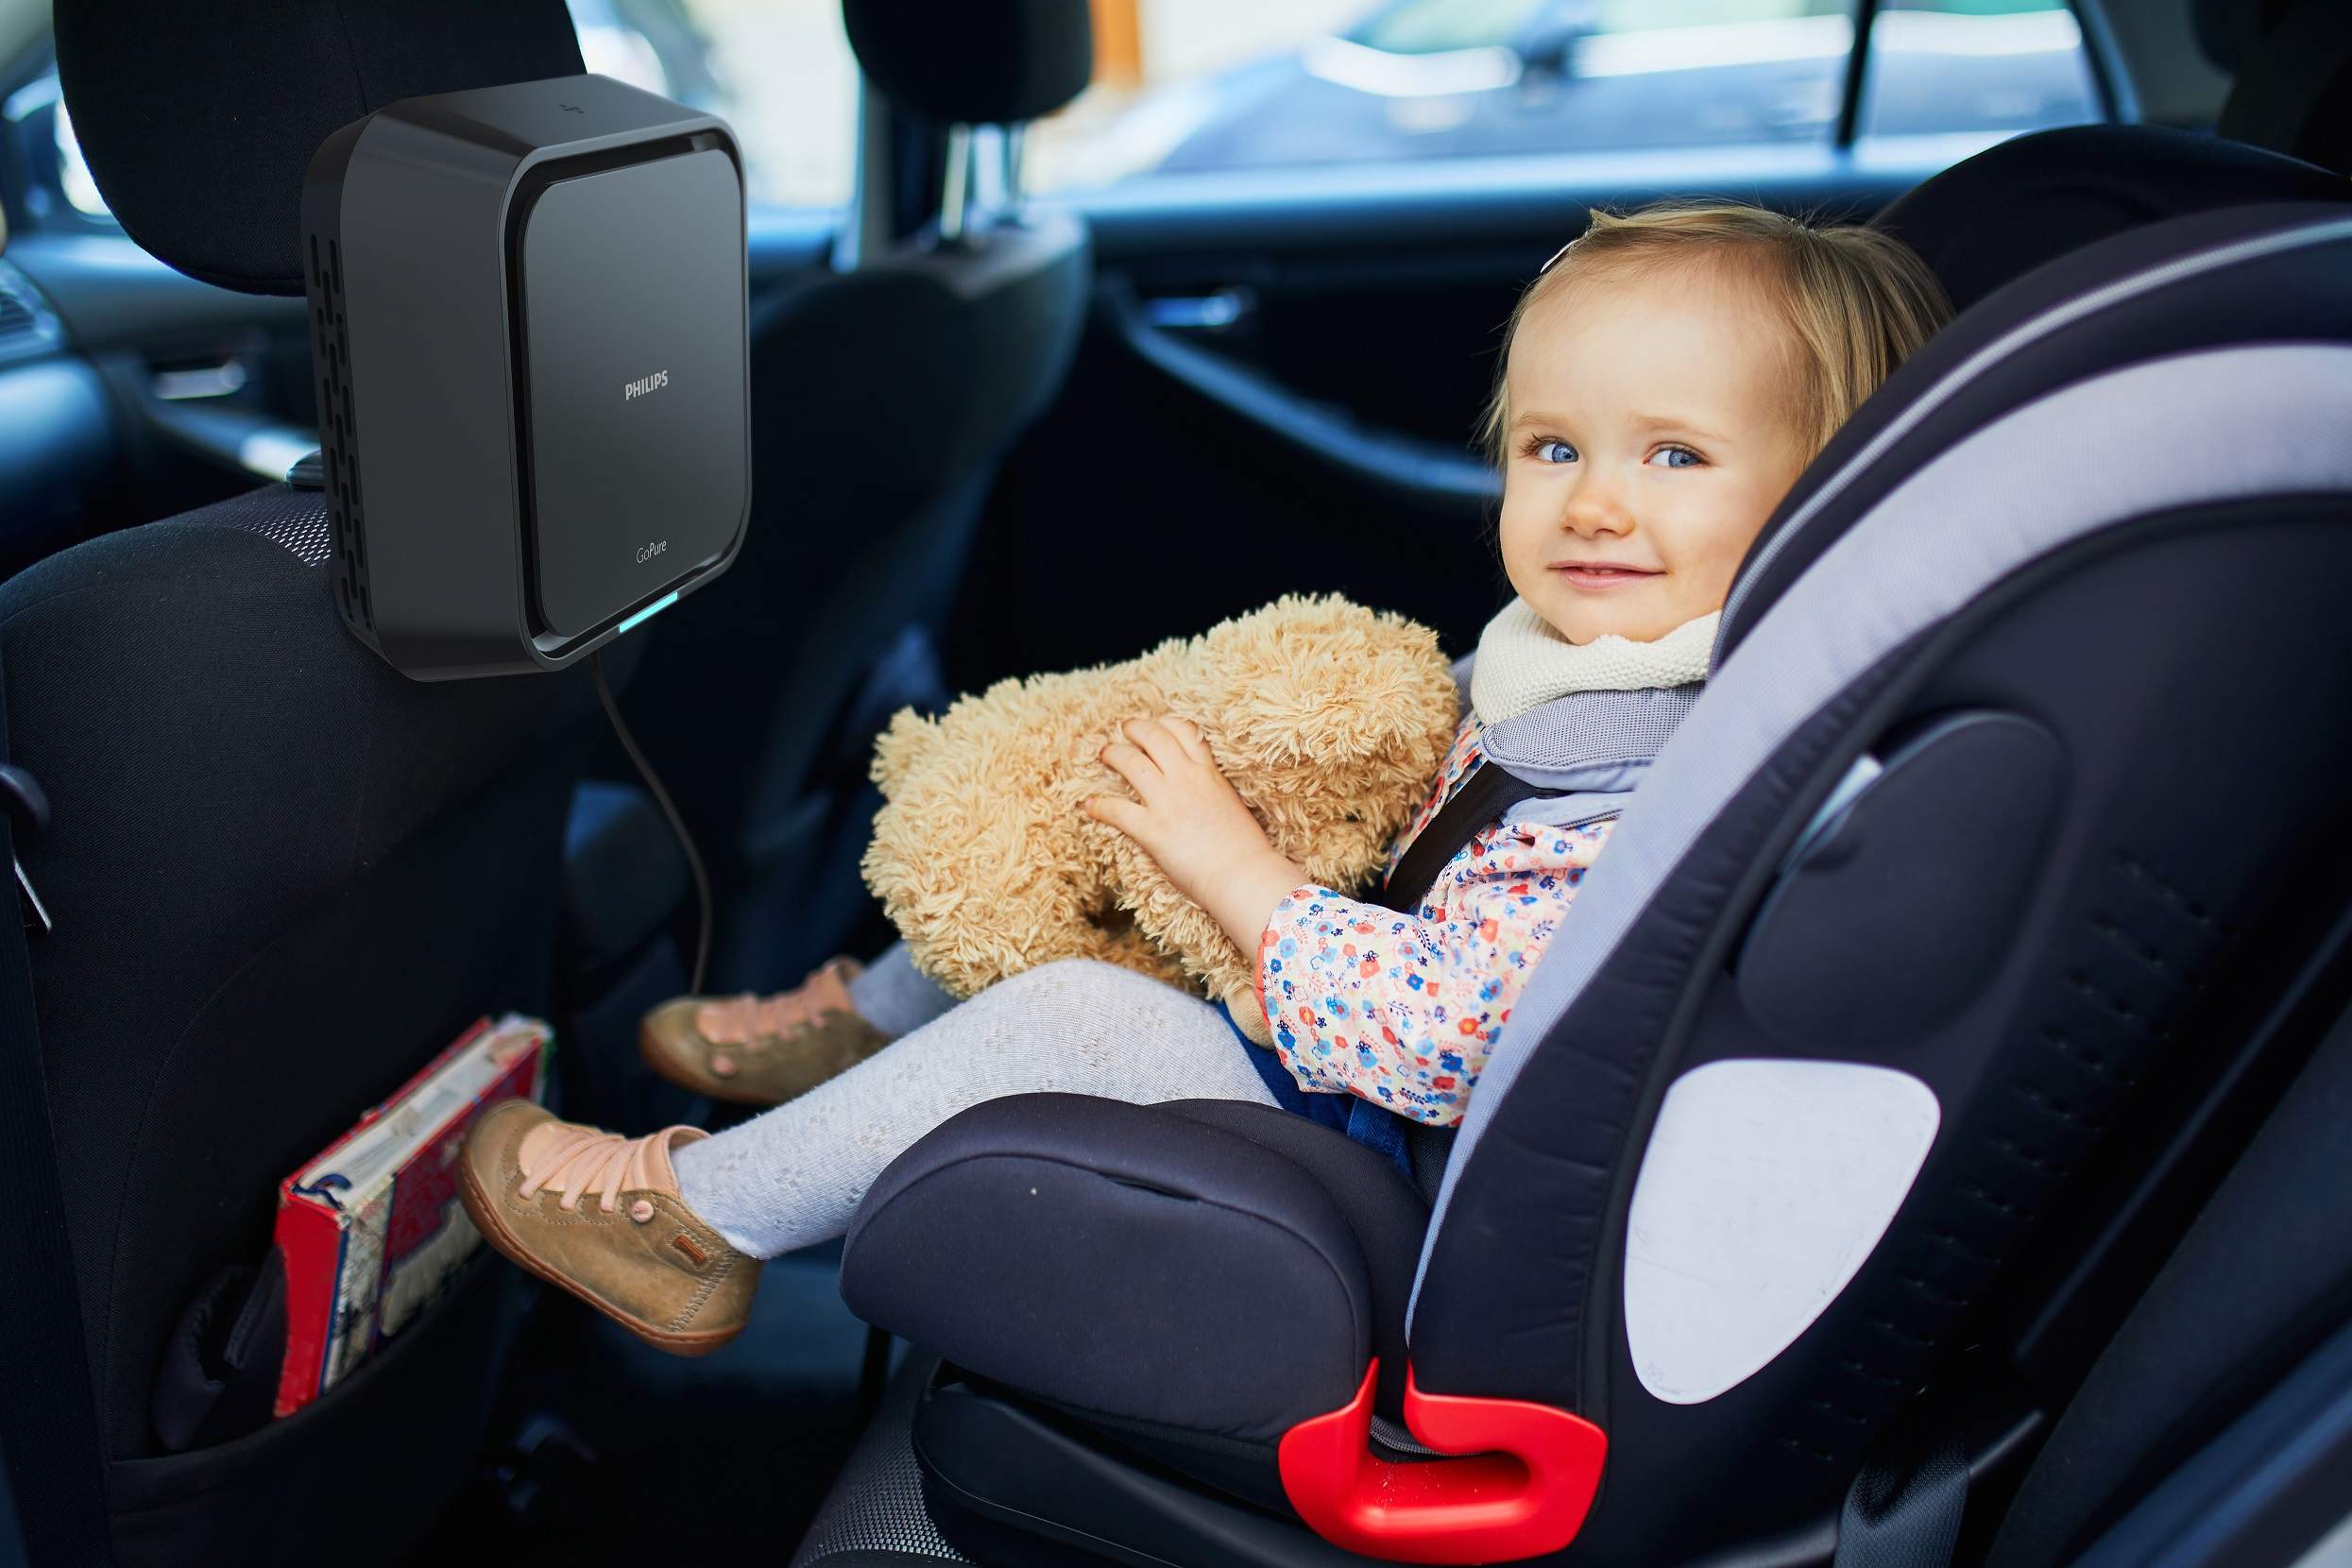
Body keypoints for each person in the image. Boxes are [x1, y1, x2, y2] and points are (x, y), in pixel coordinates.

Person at [457, 203, 1953, 1355]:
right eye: (1551, 446)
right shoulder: (1601, 682)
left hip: (1416, 1203)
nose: (1595, 501)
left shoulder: (1663, 770)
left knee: (1081, 1009)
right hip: (1357, 1083)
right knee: (1091, 822)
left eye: (1676, 457)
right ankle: (861, 1029)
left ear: (1828, 493)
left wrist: (1243, 873)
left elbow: (1448, 1038)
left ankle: (696, 1227)